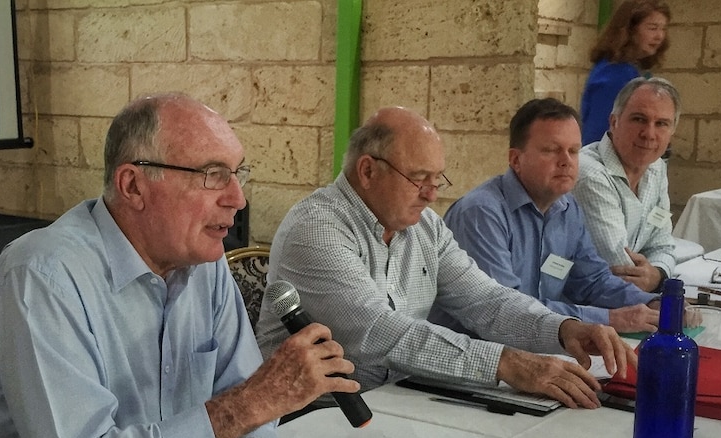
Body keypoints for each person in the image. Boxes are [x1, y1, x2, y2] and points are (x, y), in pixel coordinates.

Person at [0, 93, 361, 438]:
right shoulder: (42, 278)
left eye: (238, 173)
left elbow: (240, 397)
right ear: (133, 186)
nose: (237, 198)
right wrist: (254, 402)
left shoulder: (206, 264)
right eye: (212, 176)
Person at [256, 105, 637, 412]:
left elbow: (486, 299)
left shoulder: (424, 227)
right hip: (312, 415)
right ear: (368, 171)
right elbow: (379, 332)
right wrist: (507, 363)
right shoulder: (317, 227)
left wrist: (562, 329)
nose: (431, 194)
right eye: (419, 178)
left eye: (438, 180)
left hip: (398, 399)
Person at [442, 97, 658, 335]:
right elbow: (508, 310)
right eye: (552, 150)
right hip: (478, 354)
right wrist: (609, 318)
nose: (566, 162)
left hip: (539, 344)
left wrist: (651, 304)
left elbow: (593, 281)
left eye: (573, 151)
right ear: (516, 159)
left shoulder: (568, 208)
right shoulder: (481, 213)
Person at [572, 76, 680, 293]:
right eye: (639, 119)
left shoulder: (656, 168)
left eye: (661, 124)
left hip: (627, 299)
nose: (649, 134)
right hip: (585, 304)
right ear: (614, 122)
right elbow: (619, 267)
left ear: (672, 131)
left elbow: (663, 245)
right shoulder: (590, 173)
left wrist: (658, 273)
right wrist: (653, 278)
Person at [580, 0, 670, 145]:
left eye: (663, 29)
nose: (660, 36)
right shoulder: (613, 75)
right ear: (630, 30)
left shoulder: (632, 70)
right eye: (652, 28)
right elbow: (599, 135)